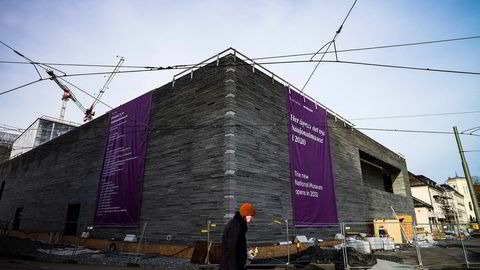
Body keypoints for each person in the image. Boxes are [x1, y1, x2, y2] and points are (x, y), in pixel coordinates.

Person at [219, 203, 256, 270]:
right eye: (251, 215)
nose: (252, 218)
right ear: (245, 215)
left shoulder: (238, 225)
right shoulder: (235, 227)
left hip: (237, 265)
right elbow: (231, 251)